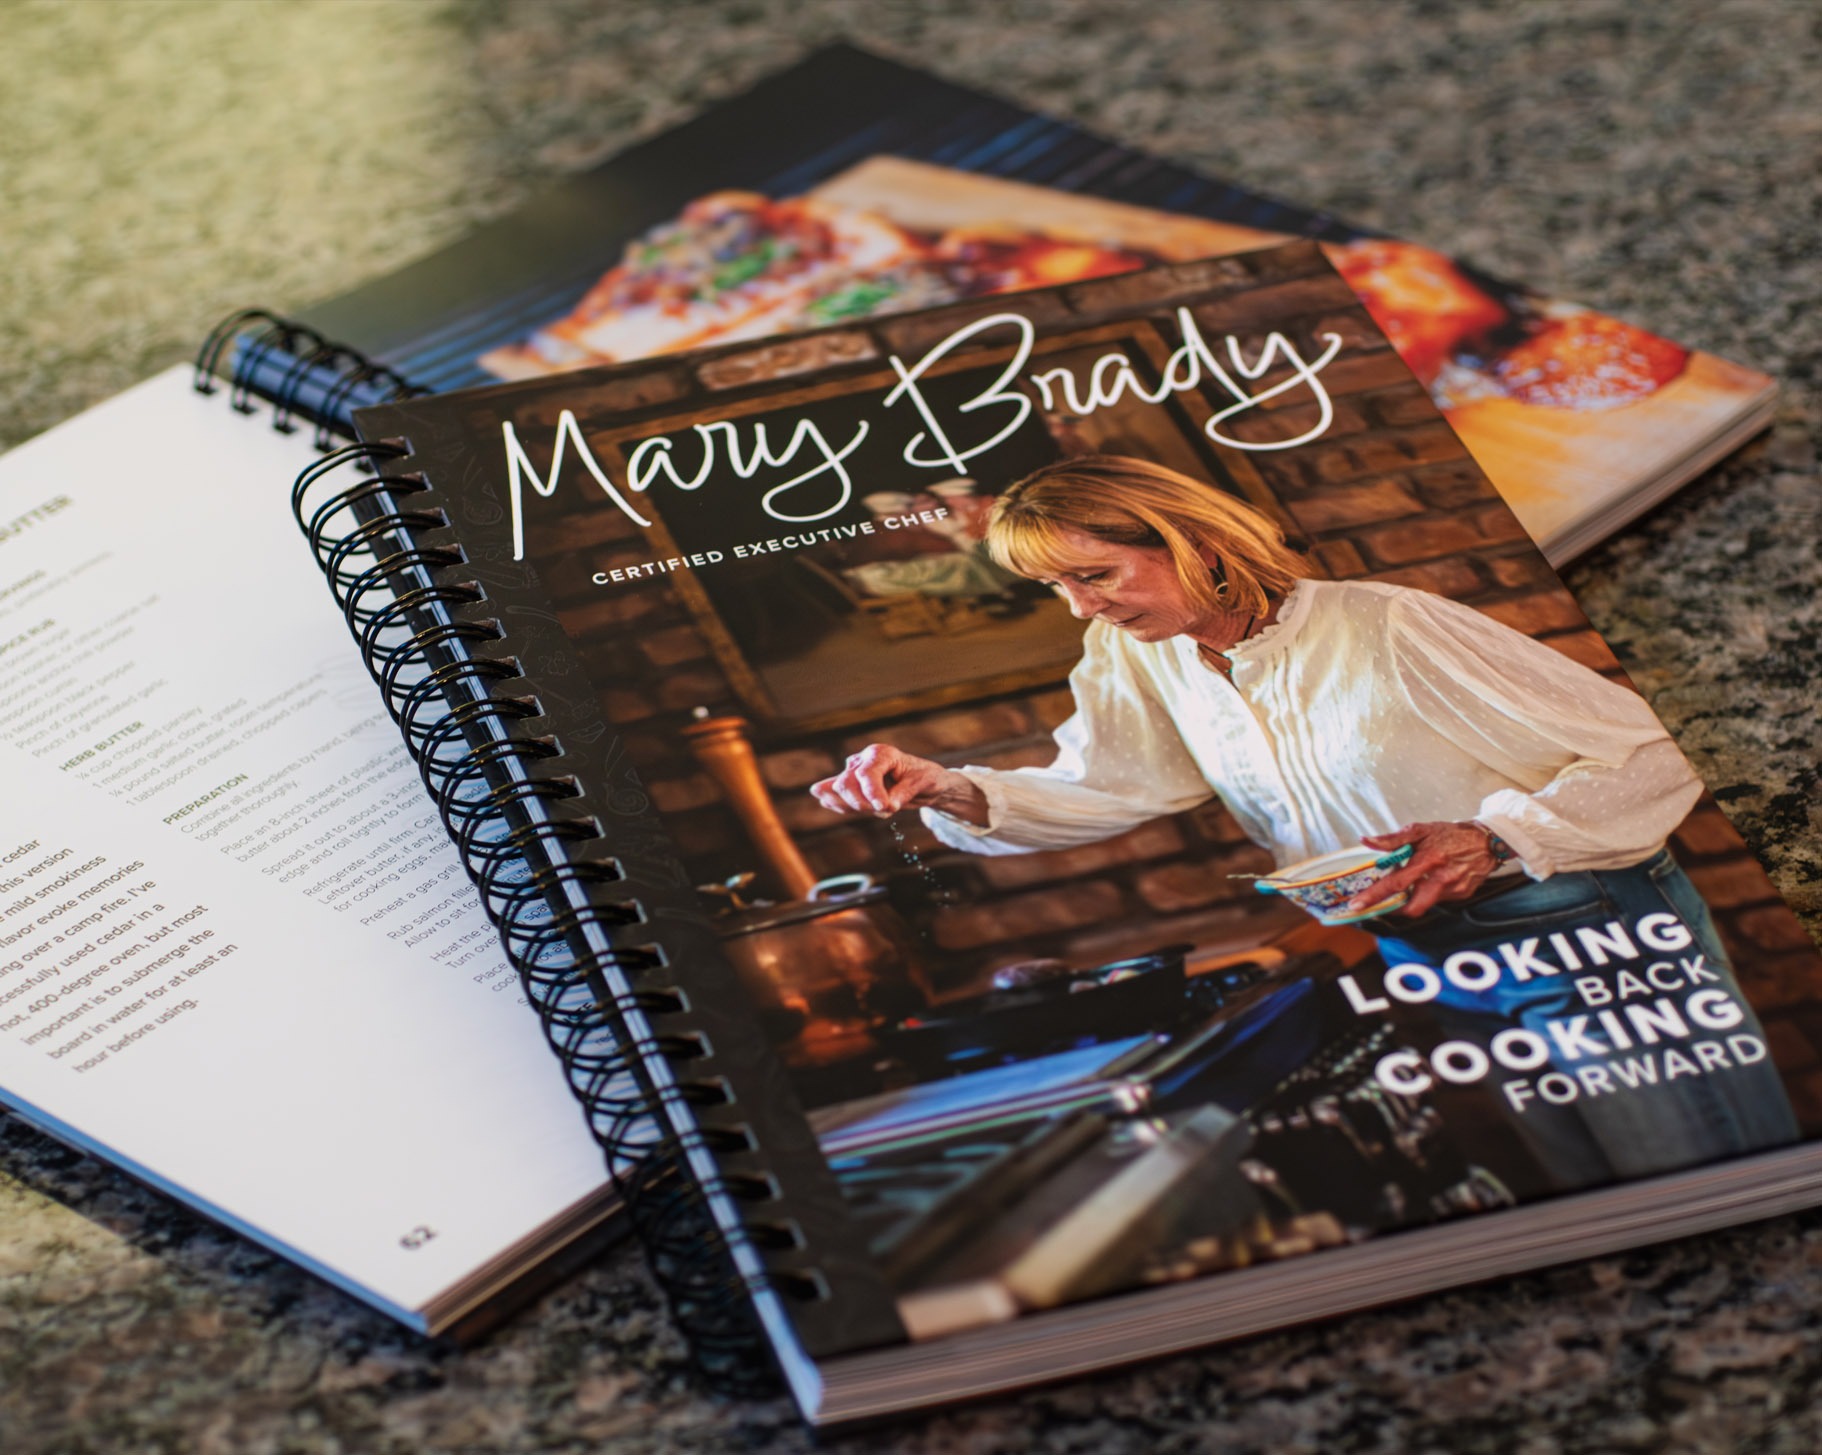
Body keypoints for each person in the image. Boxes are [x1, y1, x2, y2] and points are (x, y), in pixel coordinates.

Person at [810, 454, 1797, 1188]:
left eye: (1096, 576)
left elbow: (1649, 746)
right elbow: (1108, 784)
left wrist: (1495, 837)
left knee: (1702, 1183)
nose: (1078, 610)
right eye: (1054, 588)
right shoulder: (1141, 656)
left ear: (1188, 539)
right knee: (1593, 1194)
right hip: (1427, 956)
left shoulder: (1386, 624)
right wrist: (942, 786)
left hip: (1570, 924)